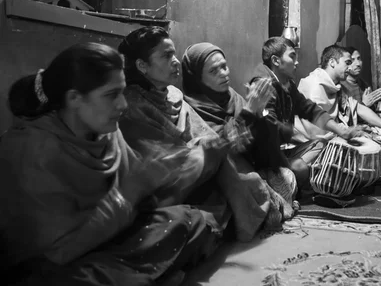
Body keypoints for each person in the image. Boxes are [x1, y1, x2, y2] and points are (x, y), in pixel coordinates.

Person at [0, 43, 223, 285]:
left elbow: (139, 204)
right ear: (74, 98)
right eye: (111, 95)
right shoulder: (32, 151)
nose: (123, 105)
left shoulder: (106, 130)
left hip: (109, 242)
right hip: (56, 265)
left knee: (192, 220)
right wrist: (127, 194)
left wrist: (176, 171)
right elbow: (54, 254)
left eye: (122, 92)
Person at [117, 26, 276, 240]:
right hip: (171, 188)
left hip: (206, 174)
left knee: (258, 178)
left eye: (174, 54)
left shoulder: (174, 95)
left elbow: (214, 139)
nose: (175, 61)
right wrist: (245, 117)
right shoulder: (131, 106)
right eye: (166, 56)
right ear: (142, 65)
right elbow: (163, 166)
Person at [180, 42, 299, 224]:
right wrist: (249, 112)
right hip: (224, 180)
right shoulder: (190, 109)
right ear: (197, 78)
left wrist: (260, 116)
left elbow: (262, 149)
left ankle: (266, 201)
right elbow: (220, 149)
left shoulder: (233, 97)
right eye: (214, 71)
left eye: (224, 66)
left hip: (251, 168)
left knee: (288, 177)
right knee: (260, 200)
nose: (224, 73)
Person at [248, 37, 367, 186]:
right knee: (300, 168)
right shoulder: (262, 85)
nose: (297, 62)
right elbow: (268, 128)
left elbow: (310, 110)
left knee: (322, 144)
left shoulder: (287, 85)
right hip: (263, 160)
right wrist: (290, 136)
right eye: (292, 56)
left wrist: (342, 131)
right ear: (276, 61)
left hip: (279, 152)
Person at [297, 45, 381, 138]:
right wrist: (351, 132)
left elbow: (358, 108)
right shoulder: (314, 86)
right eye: (347, 63)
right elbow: (316, 130)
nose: (350, 68)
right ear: (332, 62)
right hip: (313, 144)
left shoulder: (337, 86)